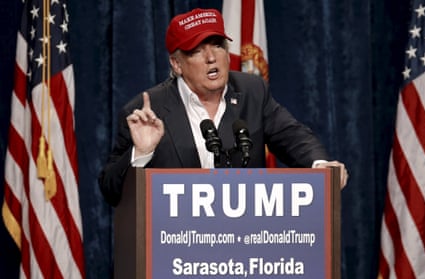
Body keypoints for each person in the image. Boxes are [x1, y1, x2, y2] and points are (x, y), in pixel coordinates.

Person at [98, 8, 348, 207]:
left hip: (243, 246)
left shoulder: (252, 91)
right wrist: (141, 154)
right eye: (197, 51)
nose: (211, 57)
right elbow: (111, 189)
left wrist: (320, 165)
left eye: (217, 45)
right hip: (177, 250)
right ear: (176, 64)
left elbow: (291, 135)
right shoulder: (147, 112)